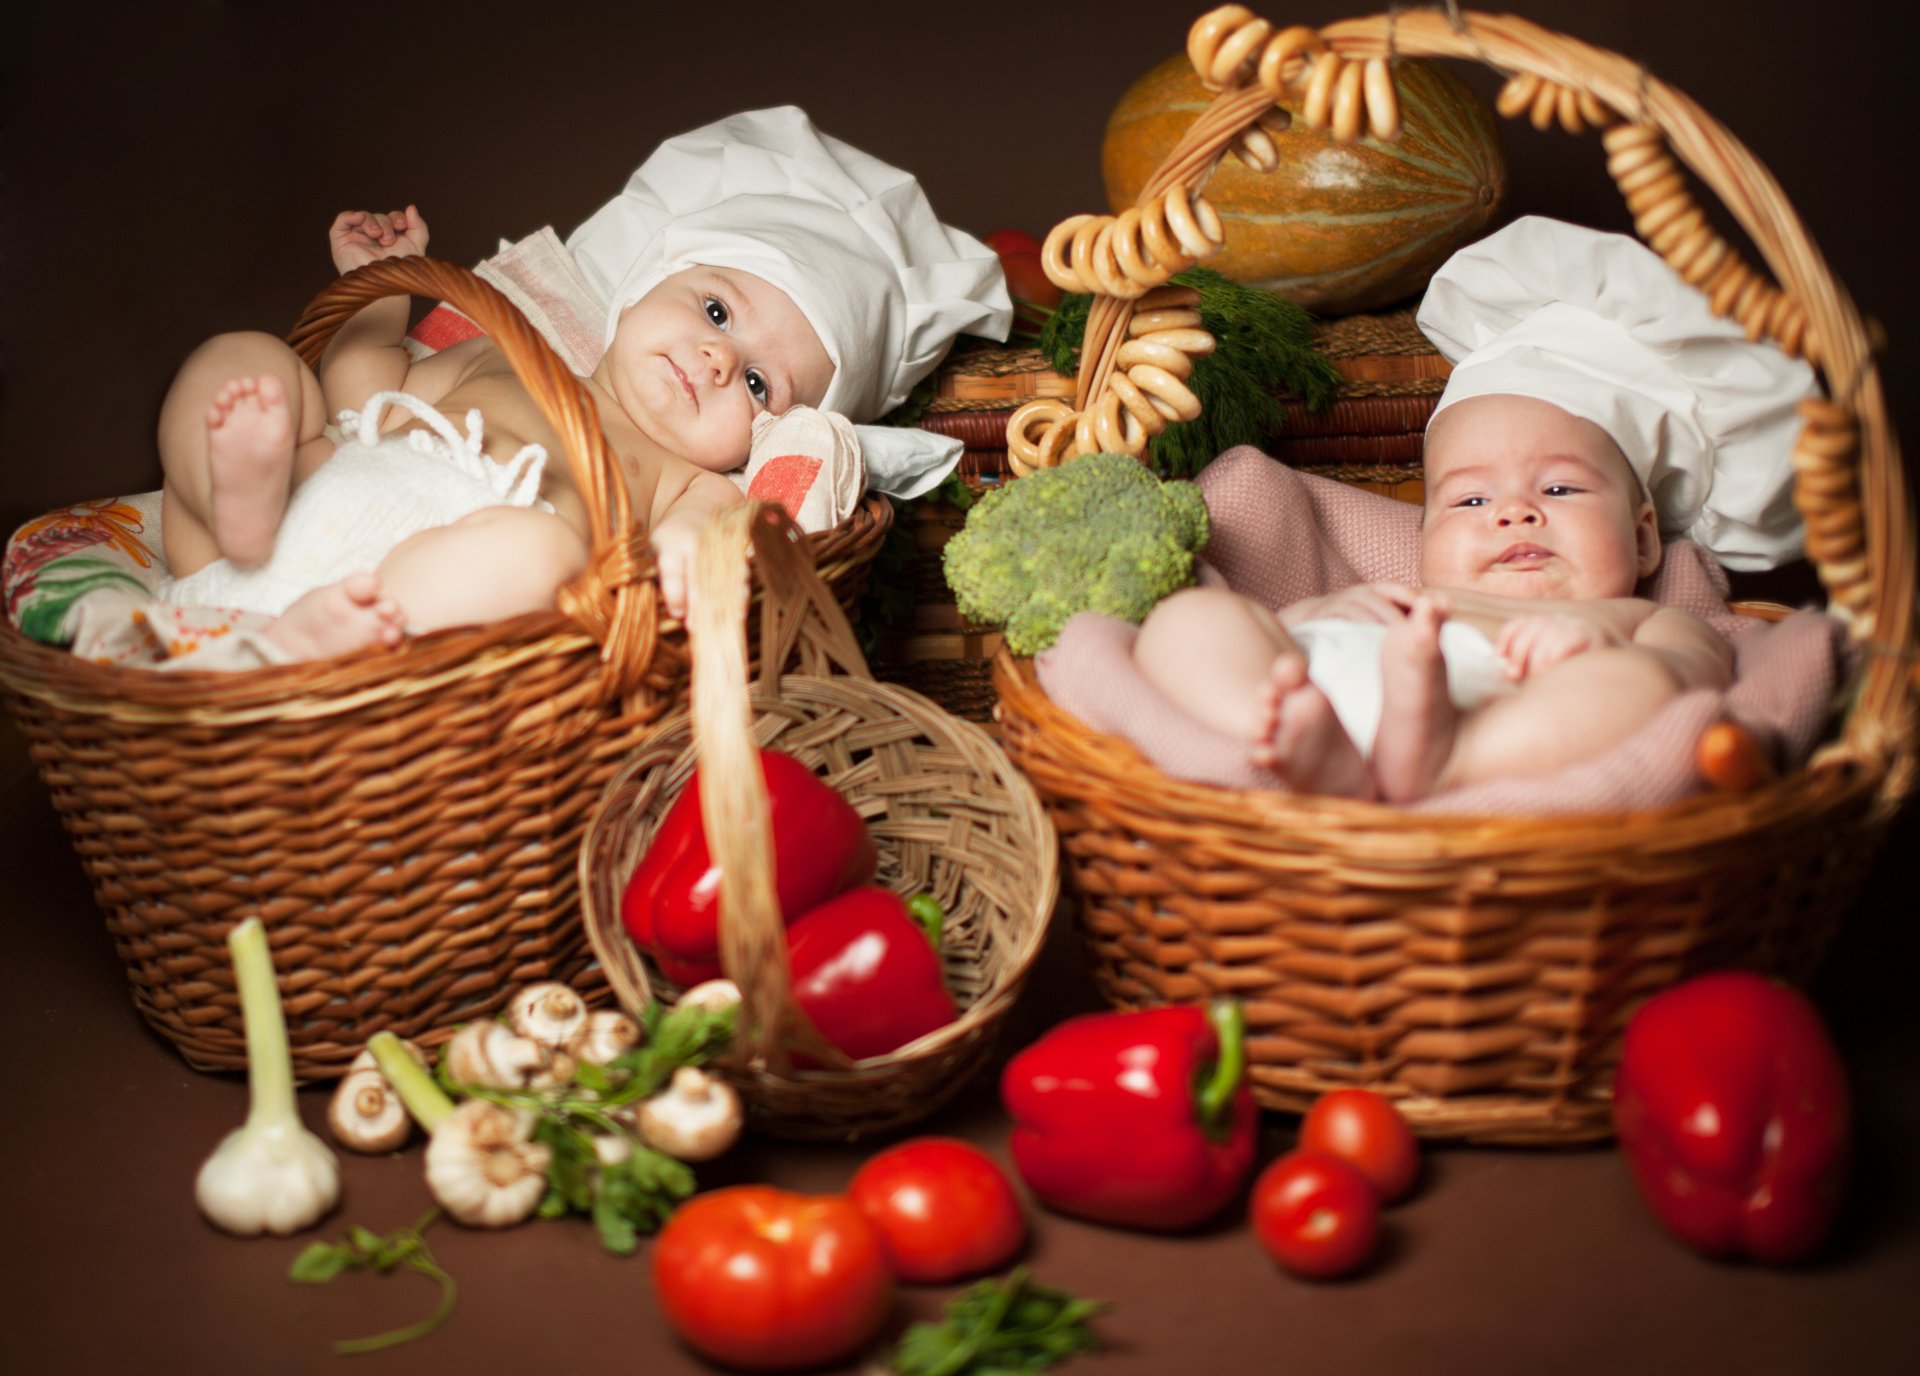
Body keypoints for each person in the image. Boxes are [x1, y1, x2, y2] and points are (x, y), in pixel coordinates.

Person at [155, 108, 1009, 660]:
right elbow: (358, 397)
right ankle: (236, 498)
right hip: (267, 536)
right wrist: (381, 289)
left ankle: (320, 650)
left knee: (542, 552)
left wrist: (693, 559)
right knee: (250, 364)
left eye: (758, 383)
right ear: (641, 290)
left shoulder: (691, 479)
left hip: (400, 621)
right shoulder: (505, 351)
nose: (717, 360)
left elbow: (708, 541)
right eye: (715, 311)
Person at [1126, 216, 1818, 803]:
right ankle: (1263, 730)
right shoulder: (1398, 597)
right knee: (1191, 618)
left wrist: (1595, 651)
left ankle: (1445, 765)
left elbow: (1699, 673)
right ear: (1424, 536)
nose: (1513, 514)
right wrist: (1319, 614)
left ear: (1643, 539)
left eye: (1559, 490)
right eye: (1472, 499)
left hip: (1495, 724)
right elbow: (1282, 627)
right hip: (1324, 693)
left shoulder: (1646, 620)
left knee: (1642, 688)